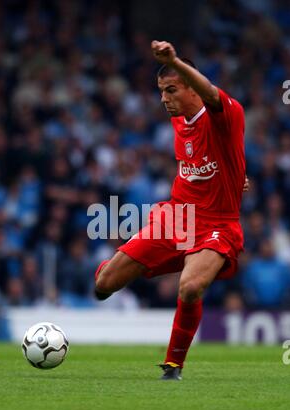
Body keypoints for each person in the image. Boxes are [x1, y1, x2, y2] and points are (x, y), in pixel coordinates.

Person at [94, 40, 247, 380]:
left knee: (190, 287)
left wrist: (175, 60)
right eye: (161, 91)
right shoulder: (179, 121)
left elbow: (211, 95)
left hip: (217, 225)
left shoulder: (227, 113)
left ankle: (173, 365)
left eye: (171, 90)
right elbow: (211, 161)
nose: (164, 99)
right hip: (176, 217)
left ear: (192, 88)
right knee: (104, 284)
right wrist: (236, 177)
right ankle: (117, 269)